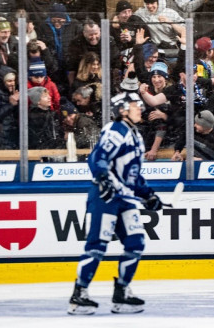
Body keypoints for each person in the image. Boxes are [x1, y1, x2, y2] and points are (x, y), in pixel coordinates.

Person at [68, 91, 162, 315]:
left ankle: (122, 291)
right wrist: (103, 178)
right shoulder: (115, 130)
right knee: (97, 246)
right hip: (106, 197)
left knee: (136, 243)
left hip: (126, 199)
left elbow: (133, 174)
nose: (139, 108)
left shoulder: (136, 135)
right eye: (134, 105)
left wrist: (148, 194)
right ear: (122, 110)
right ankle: (78, 294)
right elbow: (97, 157)